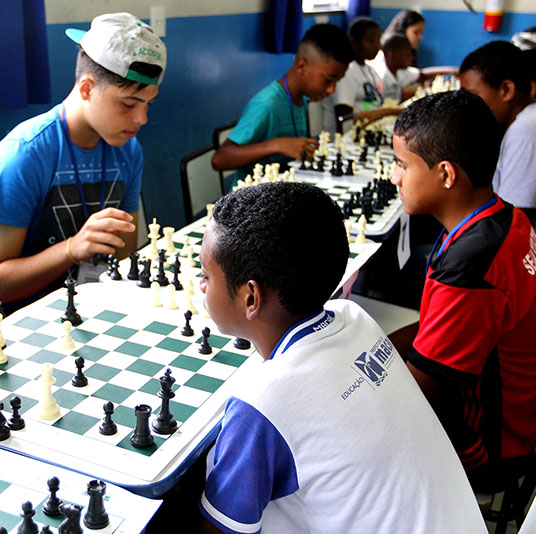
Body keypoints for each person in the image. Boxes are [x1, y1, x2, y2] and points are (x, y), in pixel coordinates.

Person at [196, 181, 487, 532]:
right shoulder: (353, 318)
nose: (201, 286)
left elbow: (217, 528)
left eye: (206, 275)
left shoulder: (260, 408)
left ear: (251, 297)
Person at [390, 89, 536, 499]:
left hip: (495, 448)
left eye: (401, 165)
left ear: (446, 174)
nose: (394, 177)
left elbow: (425, 392)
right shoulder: (505, 216)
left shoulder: (472, 265)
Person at [0, 12, 165, 312]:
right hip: (30, 323)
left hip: (100, 308)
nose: (141, 119)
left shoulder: (129, 150)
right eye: (128, 103)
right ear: (86, 88)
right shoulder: (21, 157)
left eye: (148, 104)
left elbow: (124, 254)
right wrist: (71, 250)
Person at [459, 41, 536, 284]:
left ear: (506, 90)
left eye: (473, 97)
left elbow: (508, 224)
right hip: (531, 257)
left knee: (436, 262)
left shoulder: (529, 131)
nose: (466, 108)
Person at [210, 23, 352, 182]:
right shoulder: (268, 104)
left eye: (337, 82)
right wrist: (276, 145)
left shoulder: (300, 100)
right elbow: (219, 159)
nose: (332, 90)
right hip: (254, 199)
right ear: (302, 66)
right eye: (329, 80)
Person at [332, 17, 402, 131]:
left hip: (373, 126)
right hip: (356, 132)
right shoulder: (347, 71)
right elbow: (344, 116)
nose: (378, 46)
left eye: (379, 40)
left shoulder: (369, 69)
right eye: (371, 41)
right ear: (353, 42)